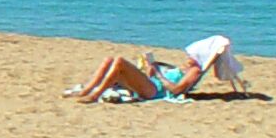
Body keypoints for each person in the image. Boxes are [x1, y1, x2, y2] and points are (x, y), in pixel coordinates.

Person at [64, 41, 223, 104]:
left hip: (154, 91)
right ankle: (86, 90)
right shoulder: (185, 69)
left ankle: (95, 95)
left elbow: (175, 90)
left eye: (192, 56)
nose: (188, 57)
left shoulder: (194, 71)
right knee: (109, 60)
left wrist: (158, 75)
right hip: (151, 84)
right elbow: (157, 78)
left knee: (119, 61)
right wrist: (150, 69)